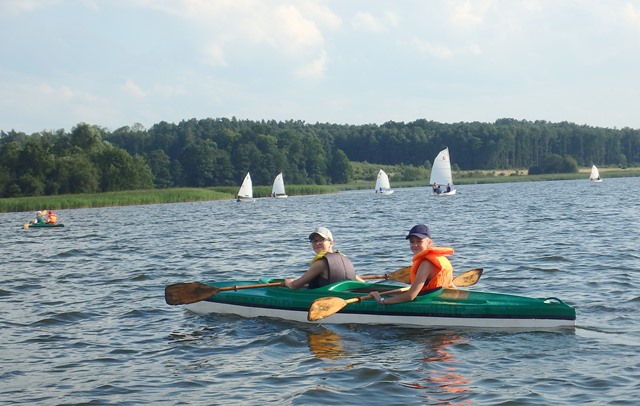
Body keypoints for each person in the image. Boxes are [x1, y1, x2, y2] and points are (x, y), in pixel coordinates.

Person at [370, 224, 455, 305]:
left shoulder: (426, 264)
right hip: (437, 298)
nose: (415, 245)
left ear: (429, 242)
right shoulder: (441, 258)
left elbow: (411, 296)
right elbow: (450, 285)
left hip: (427, 301)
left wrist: (382, 300)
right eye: (412, 242)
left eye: (419, 241)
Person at [284, 227, 364, 289]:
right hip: (344, 294)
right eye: (314, 241)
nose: (317, 243)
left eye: (321, 240)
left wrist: (289, 282)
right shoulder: (344, 259)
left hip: (329, 298)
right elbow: (361, 283)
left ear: (331, 242)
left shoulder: (321, 263)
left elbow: (294, 286)